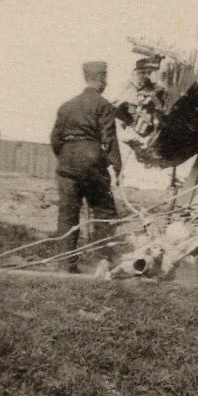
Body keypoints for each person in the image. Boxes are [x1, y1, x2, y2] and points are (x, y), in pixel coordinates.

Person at [51, 61, 123, 272]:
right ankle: (104, 262)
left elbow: (55, 139)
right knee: (104, 211)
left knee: (67, 215)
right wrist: (117, 167)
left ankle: (65, 265)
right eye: (105, 78)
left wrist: (66, 159)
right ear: (100, 78)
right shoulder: (104, 106)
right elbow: (109, 140)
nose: (106, 82)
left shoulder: (66, 106)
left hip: (67, 164)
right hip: (92, 163)